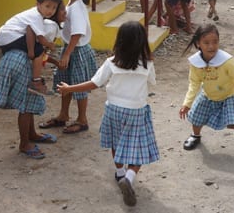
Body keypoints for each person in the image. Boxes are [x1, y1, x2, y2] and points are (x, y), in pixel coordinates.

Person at [57, 21, 158, 207]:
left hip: (114, 110)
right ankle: (129, 176)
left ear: (119, 42)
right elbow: (152, 83)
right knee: (139, 149)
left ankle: (119, 172)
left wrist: (69, 88)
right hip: (136, 111)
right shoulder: (147, 64)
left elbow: (94, 84)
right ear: (143, 42)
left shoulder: (111, 63)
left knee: (115, 142)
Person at [0, 0, 62, 160]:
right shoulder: (38, 23)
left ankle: (31, 134)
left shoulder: (30, 28)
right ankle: (25, 143)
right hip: (19, 61)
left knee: (28, 102)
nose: (52, 11)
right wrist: (49, 47)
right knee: (26, 103)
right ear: (39, 4)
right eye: (49, 7)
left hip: (8, 49)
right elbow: (39, 48)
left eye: (55, 8)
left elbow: (38, 51)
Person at [179, 24, 234, 152]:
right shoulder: (196, 63)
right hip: (208, 95)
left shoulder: (226, 61)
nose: (211, 46)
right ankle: (195, 136)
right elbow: (194, 83)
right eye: (206, 43)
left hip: (229, 96)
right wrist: (187, 103)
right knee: (196, 118)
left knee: (232, 122)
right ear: (198, 43)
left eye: (215, 42)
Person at [39, 0, 97, 134]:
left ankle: (82, 119)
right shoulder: (72, 3)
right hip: (72, 48)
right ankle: (63, 115)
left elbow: (77, 32)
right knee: (65, 82)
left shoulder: (77, 7)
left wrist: (66, 54)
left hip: (76, 50)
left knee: (78, 85)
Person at [0, 0, 62, 95]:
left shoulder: (33, 14)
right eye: (47, 6)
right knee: (38, 53)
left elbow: (30, 30)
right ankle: (36, 81)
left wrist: (30, 50)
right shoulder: (36, 16)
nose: (50, 10)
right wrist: (50, 45)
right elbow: (41, 39)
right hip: (11, 37)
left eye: (54, 8)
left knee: (25, 57)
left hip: (4, 39)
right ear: (38, 4)